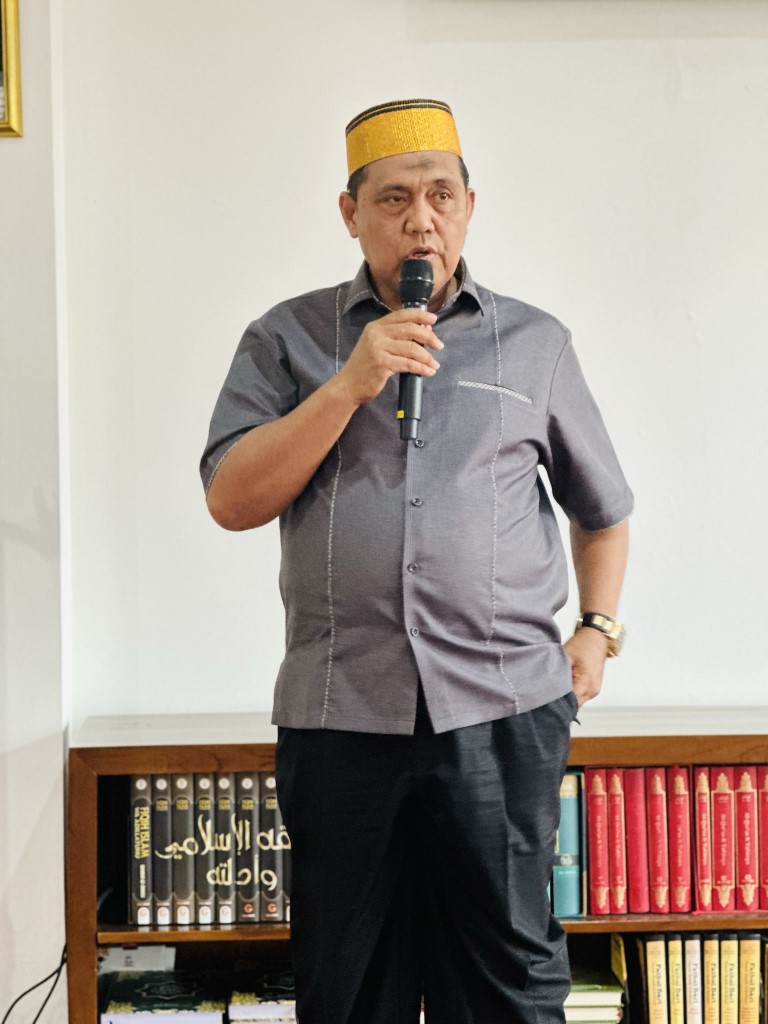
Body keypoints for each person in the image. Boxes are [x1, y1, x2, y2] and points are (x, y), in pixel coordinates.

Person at [201, 97, 632, 1024]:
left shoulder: (536, 343)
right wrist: (350, 382)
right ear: (350, 213)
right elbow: (232, 499)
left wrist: (596, 632)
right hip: (340, 713)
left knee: (509, 982)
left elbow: (603, 511)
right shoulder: (286, 338)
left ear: (470, 207)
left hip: (505, 711)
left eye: (441, 195)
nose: (421, 219)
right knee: (351, 983)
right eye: (393, 198)